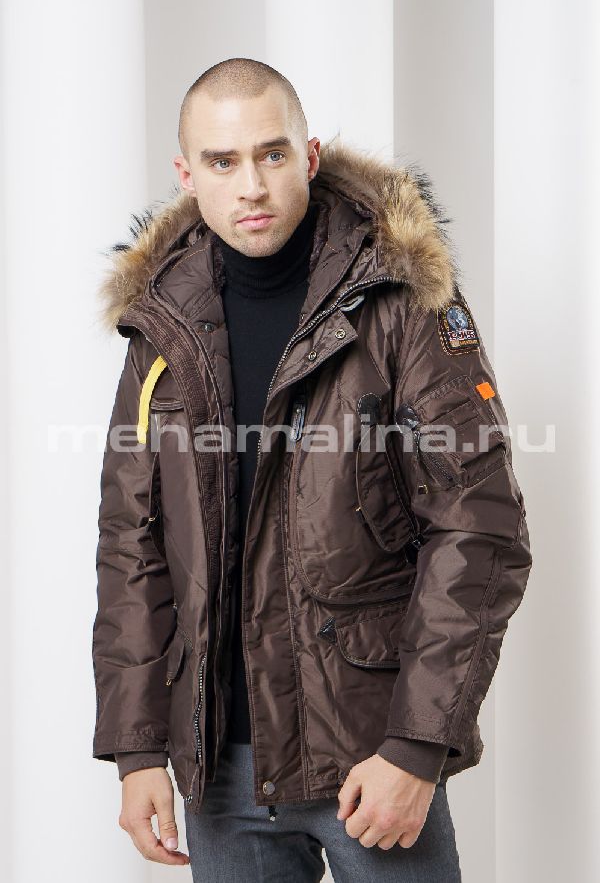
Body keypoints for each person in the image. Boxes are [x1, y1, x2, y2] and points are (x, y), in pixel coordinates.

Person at [91, 57, 532, 881]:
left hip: (368, 756)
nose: (251, 185)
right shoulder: (162, 324)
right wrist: (137, 747)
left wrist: (416, 744)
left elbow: (479, 525)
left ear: (311, 155)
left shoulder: (398, 298)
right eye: (222, 162)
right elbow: (132, 543)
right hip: (220, 772)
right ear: (187, 175)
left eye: (273, 154)